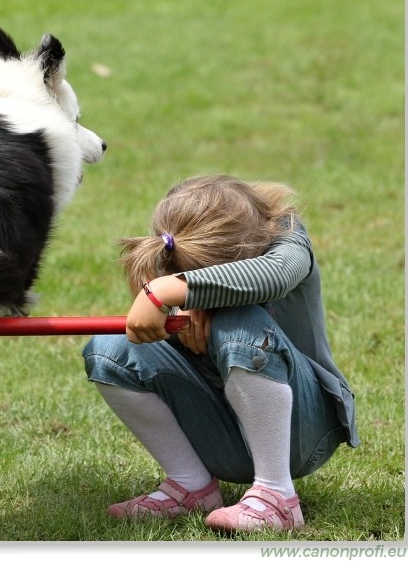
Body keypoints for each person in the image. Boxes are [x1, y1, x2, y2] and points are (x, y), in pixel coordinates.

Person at [82, 174, 359, 533]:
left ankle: (278, 497)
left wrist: (169, 291)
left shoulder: (287, 234)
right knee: (110, 349)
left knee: (237, 320)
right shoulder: (179, 252)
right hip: (222, 433)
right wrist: (176, 323)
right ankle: (191, 486)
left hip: (305, 431)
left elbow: (272, 276)